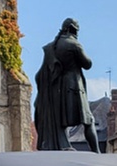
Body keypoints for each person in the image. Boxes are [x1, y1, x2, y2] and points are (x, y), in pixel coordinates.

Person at [33, 18, 100, 153]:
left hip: (58, 88)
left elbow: (42, 72)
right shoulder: (74, 44)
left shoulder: (51, 47)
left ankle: (63, 144)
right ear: (72, 29)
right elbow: (87, 64)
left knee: (61, 120)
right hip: (74, 85)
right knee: (88, 119)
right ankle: (97, 152)